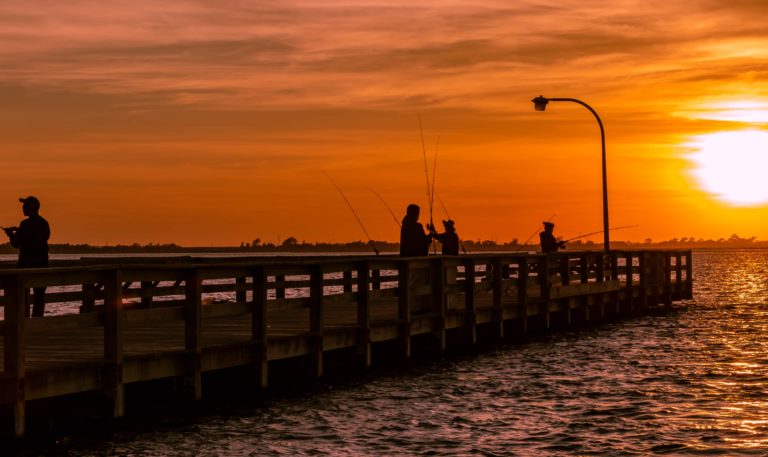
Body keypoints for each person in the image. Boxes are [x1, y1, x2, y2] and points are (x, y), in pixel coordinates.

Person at [3, 196, 50, 317]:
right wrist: (19, 231)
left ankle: (24, 322)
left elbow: (16, 244)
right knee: (39, 296)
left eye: (25, 206)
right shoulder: (44, 223)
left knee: (22, 296)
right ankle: (37, 323)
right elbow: (38, 238)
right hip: (42, 266)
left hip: (25, 267)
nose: (23, 208)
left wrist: (10, 235)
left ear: (32, 208)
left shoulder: (25, 224)